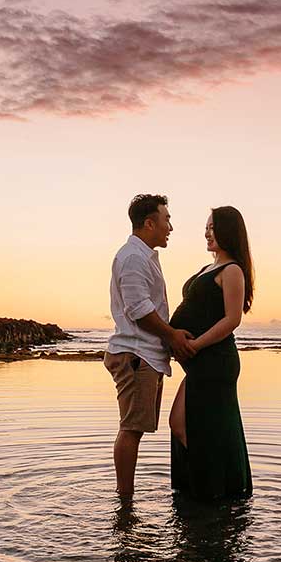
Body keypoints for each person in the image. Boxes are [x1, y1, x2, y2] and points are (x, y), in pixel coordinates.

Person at [105, 194, 196, 497]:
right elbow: (139, 309)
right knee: (131, 428)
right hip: (136, 354)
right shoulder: (133, 257)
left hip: (143, 354)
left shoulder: (142, 256)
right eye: (166, 219)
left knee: (134, 428)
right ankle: (124, 500)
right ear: (149, 223)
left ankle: (125, 497)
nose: (170, 226)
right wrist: (172, 336)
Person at [168, 206, 254, 500]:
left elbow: (232, 319)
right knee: (192, 425)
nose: (207, 232)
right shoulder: (207, 269)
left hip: (216, 361)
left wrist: (195, 344)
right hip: (200, 362)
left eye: (213, 227)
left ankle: (215, 486)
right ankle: (208, 484)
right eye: (206, 227)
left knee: (182, 423)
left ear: (228, 231)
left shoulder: (232, 270)